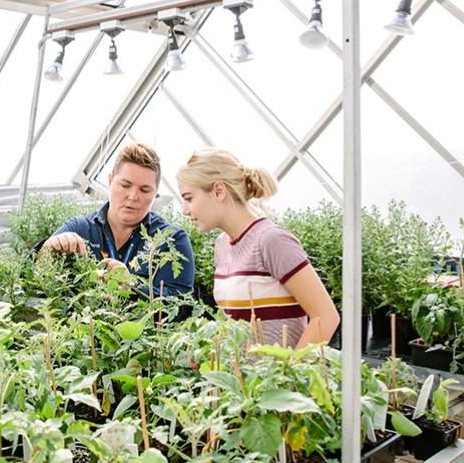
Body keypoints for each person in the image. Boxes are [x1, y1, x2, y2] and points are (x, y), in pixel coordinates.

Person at [176, 149, 338, 347]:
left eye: (189, 198)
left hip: (277, 376)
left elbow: (326, 317)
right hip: (241, 377)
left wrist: (288, 373)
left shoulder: (271, 240)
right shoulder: (222, 245)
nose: (184, 210)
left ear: (219, 191)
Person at [39, 143, 194, 298]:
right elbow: (30, 281)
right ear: (110, 181)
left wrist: (132, 288)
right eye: (125, 185)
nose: (133, 196)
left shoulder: (171, 239)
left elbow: (181, 305)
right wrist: (46, 251)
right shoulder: (80, 229)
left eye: (144, 190)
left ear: (155, 193)